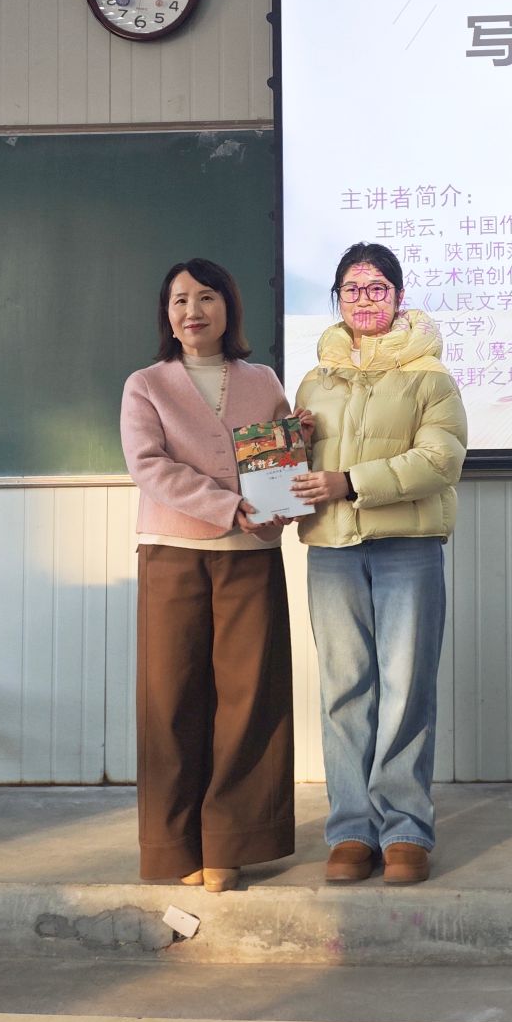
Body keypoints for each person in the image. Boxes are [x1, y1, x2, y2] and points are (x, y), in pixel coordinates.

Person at [290, 243, 467, 886]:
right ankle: (350, 831)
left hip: (407, 547)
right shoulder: (315, 380)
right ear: (337, 298)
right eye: (352, 288)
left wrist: (350, 482)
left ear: (398, 296)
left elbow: (441, 460)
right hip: (332, 549)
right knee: (344, 691)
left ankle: (405, 832)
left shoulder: (431, 377)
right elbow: (300, 470)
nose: (365, 299)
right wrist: (290, 452)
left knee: (405, 689)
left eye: (377, 287)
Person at [119, 258, 294, 892]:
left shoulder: (262, 380)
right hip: (171, 552)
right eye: (180, 300)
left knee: (249, 700)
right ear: (167, 315)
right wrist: (228, 505)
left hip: (250, 554)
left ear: (229, 308)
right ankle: (173, 844)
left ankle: (231, 843)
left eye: (207, 297)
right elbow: (148, 466)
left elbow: (278, 462)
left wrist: (293, 456)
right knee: (170, 700)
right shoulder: (146, 384)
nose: (193, 310)